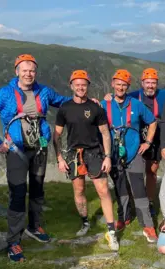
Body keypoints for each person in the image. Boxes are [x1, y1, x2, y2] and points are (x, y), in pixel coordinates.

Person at [0, 54, 73, 262]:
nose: (28, 74)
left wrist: (87, 101)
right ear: (16, 71)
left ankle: (35, 226)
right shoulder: (5, 93)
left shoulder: (43, 91)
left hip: (40, 149)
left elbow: (63, 102)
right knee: (17, 193)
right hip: (16, 150)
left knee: (37, 188)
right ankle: (14, 241)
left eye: (32, 70)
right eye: (24, 70)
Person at [104, 68, 165, 217]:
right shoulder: (134, 95)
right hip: (135, 134)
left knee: (151, 170)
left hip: (155, 135)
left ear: (157, 84)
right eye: (147, 83)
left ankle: (149, 201)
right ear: (142, 83)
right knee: (130, 170)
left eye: (153, 83)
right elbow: (119, 94)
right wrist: (109, 96)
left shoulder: (164, 94)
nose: (150, 86)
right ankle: (131, 202)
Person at [52, 70, 119, 251]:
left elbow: (105, 133)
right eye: (77, 84)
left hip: (95, 153)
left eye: (84, 84)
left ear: (88, 86)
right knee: (79, 190)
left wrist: (107, 156)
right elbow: (56, 135)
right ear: (71, 85)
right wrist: (59, 157)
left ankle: (111, 231)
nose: (81, 87)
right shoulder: (64, 108)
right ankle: (85, 223)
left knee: (103, 190)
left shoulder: (96, 108)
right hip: (74, 154)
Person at [101, 69, 158, 243]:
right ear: (112, 84)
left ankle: (147, 225)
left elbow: (153, 121)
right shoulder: (104, 105)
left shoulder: (136, 104)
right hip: (114, 155)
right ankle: (123, 217)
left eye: (124, 85)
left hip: (134, 154)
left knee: (139, 190)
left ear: (128, 86)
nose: (120, 87)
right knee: (120, 189)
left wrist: (147, 142)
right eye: (118, 84)